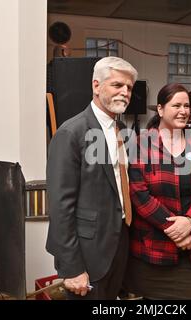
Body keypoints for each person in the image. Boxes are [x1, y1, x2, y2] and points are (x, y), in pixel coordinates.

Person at [46, 56, 138, 299]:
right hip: (87, 254)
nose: (125, 92)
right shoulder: (71, 132)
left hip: (118, 246)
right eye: (117, 85)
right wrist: (71, 267)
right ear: (96, 86)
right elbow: (60, 206)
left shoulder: (120, 131)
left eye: (129, 87)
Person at [125, 83, 191, 300]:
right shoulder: (140, 143)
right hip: (152, 250)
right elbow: (138, 194)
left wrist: (190, 222)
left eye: (187, 106)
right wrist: (176, 230)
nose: (183, 111)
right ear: (160, 109)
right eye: (176, 105)